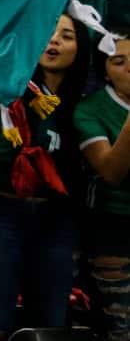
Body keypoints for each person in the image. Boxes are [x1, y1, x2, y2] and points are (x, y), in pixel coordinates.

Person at [0, 14, 90, 338]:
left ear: (81, 50)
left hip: (55, 223)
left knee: (49, 327)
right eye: (47, 31)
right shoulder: (5, 80)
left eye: (67, 36)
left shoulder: (85, 106)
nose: (54, 40)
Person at [75, 36, 130, 341]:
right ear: (106, 72)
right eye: (118, 61)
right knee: (120, 326)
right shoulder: (90, 110)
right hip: (113, 228)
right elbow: (111, 171)